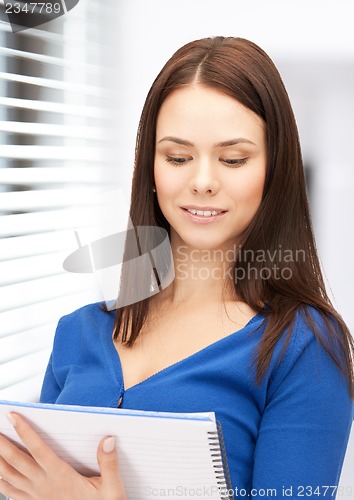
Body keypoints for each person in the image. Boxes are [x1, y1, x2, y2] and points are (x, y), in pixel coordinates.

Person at [0, 36, 353, 500]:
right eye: (177, 157)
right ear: (150, 167)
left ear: (274, 170)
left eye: (233, 159)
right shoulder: (78, 332)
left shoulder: (302, 345)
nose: (202, 181)